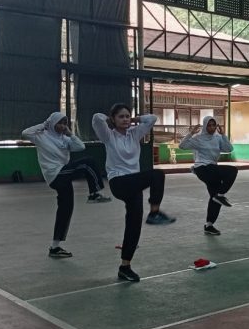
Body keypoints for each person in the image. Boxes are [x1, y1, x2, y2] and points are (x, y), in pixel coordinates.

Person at [93, 104, 176, 282]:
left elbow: (152, 119)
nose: (125, 119)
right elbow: (96, 119)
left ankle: (125, 267)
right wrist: (108, 120)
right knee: (157, 175)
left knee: (134, 225)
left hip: (134, 183)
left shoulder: (134, 134)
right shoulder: (108, 136)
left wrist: (136, 119)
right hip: (119, 182)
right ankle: (154, 213)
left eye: (127, 116)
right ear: (113, 119)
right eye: (121, 117)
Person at [22, 112, 111, 258]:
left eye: (65, 123)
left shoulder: (65, 139)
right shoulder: (41, 136)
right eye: (60, 123)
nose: (63, 126)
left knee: (65, 210)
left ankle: (55, 247)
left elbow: (80, 146)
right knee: (88, 163)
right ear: (52, 123)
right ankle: (94, 194)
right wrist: (44, 125)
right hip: (55, 174)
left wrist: (70, 134)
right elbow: (25, 133)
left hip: (63, 175)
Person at [180, 116, 237, 236]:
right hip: (202, 168)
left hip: (212, 168)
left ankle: (209, 225)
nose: (212, 128)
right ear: (205, 126)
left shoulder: (218, 138)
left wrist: (223, 135)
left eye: (213, 125)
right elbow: (182, 146)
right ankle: (220, 195)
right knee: (232, 171)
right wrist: (191, 133)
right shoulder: (198, 138)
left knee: (214, 198)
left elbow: (229, 149)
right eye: (209, 125)